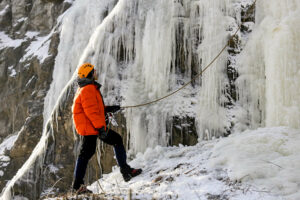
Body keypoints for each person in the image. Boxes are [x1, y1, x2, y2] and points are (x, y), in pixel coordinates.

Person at [72, 63, 142, 194]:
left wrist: (108, 109)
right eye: (94, 71)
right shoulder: (87, 89)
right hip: (92, 128)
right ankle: (77, 187)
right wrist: (101, 128)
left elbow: (94, 108)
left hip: (92, 127)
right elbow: (91, 112)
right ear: (89, 74)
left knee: (112, 141)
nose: (96, 72)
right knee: (85, 154)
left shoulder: (86, 88)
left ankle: (126, 171)